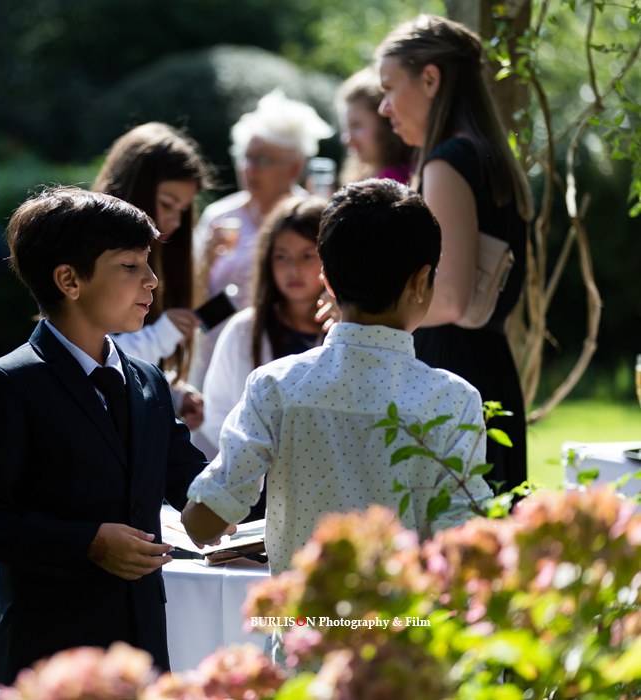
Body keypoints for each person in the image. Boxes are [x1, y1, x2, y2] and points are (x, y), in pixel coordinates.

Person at [0, 188, 209, 685]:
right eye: (130, 265)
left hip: (141, 647)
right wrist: (87, 543)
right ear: (69, 280)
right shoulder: (8, 383)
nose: (152, 280)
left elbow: (191, 479)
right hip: (51, 649)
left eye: (148, 263)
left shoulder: (148, 380)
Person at [182, 179, 493, 574]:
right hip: (405, 612)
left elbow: (203, 522)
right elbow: (465, 545)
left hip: (303, 612)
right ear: (420, 282)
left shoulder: (276, 386)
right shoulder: (452, 400)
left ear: (325, 280)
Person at [376, 14, 534, 492]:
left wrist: (364, 313)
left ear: (430, 79)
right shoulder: (489, 156)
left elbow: (448, 299)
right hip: (490, 367)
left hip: (452, 373)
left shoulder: (447, 162)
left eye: (390, 88)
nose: (384, 107)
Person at [191, 90, 333, 380]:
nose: (249, 168)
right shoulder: (220, 216)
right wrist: (205, 261)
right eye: (246, 157)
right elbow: (187, 301)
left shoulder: (313, 218)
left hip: (293, 359)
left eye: (264, 160)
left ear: (294, 167)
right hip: (219, 361)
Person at [93, 122, 213, 429]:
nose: (175, 220)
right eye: (167, 204)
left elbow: (132, 374)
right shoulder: (93, 252)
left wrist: (171, 393)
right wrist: (162, 335)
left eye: (183, 209)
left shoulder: (168, 254)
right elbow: (95, 359)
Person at [199, 195, 327, 472]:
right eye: (282, 256)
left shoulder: (343, 331)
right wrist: (258, 454)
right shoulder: (244, 328)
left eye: (307, 255)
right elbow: (215, 411)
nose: (294, 268)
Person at [337, 67, 414, 185]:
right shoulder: (369, 175)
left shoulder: (390, 182)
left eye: (356, 126)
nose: (347, 139)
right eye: (346, 128)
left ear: (386, 123)